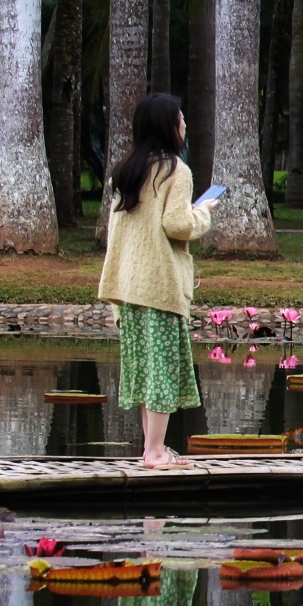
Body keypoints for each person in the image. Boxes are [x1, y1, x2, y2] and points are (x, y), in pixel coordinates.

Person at [97, 93, 217, 467]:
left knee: (144, 370)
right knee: (162, 371)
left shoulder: (126, 169)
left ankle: (155, 448)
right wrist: (203, 213)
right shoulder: (175, 171)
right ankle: (153, 452)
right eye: (181, 119)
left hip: (129, 286)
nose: (185, 125)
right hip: (161, 286)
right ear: (168, 126)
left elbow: (119, 231)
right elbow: (177, 225)